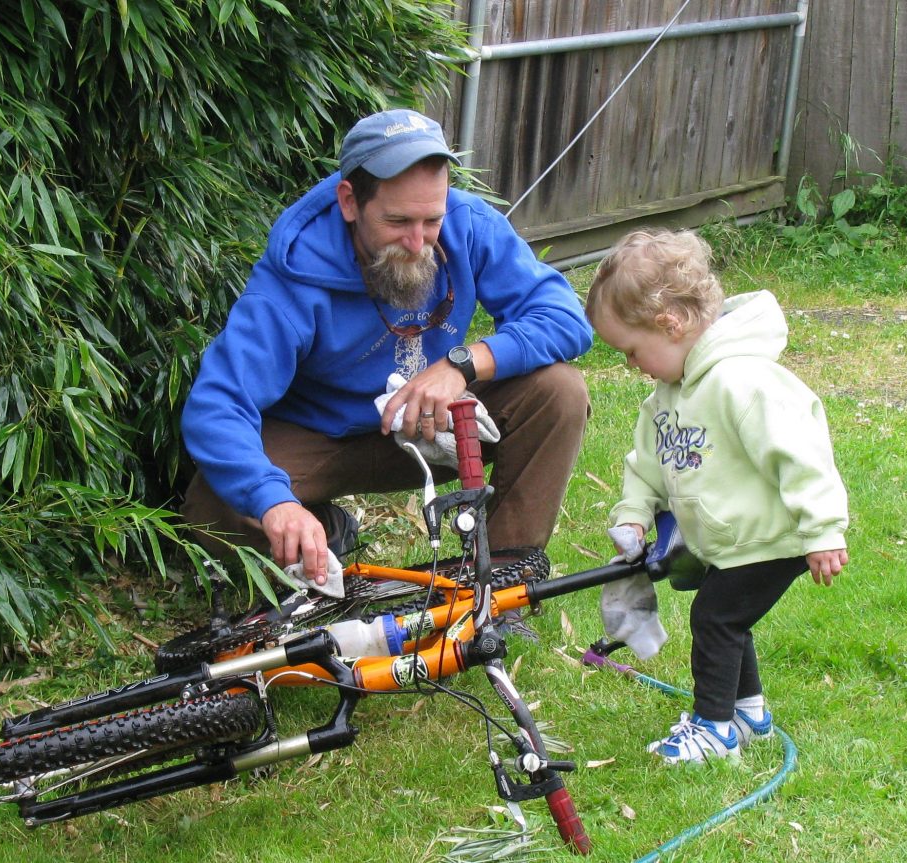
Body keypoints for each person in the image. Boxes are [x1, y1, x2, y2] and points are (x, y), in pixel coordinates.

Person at [180, 109, 593, 585]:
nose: (418, 242)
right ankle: (327, 530)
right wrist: (277, 504)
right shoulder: (292, 276)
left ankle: (501, 575)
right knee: (213, 508)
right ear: (350, 202)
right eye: (397, 221)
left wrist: (462, 363)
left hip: (428, 426)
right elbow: (217, 404)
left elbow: (564, 318)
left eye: (431, 220)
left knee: (559, 391)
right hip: (322, 437)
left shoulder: (469, 224)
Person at [585, 228, 848, 764]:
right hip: (732, 544)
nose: (632, 365)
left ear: (671, 323)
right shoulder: (669, 394)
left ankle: (715, 729)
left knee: (715, 618)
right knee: (730, 617)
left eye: (632, 351)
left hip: (775, 538)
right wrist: (634, 514)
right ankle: (748, 713)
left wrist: (823, 530)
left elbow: (802, 450)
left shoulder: (742, 381)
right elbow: (648, 464)